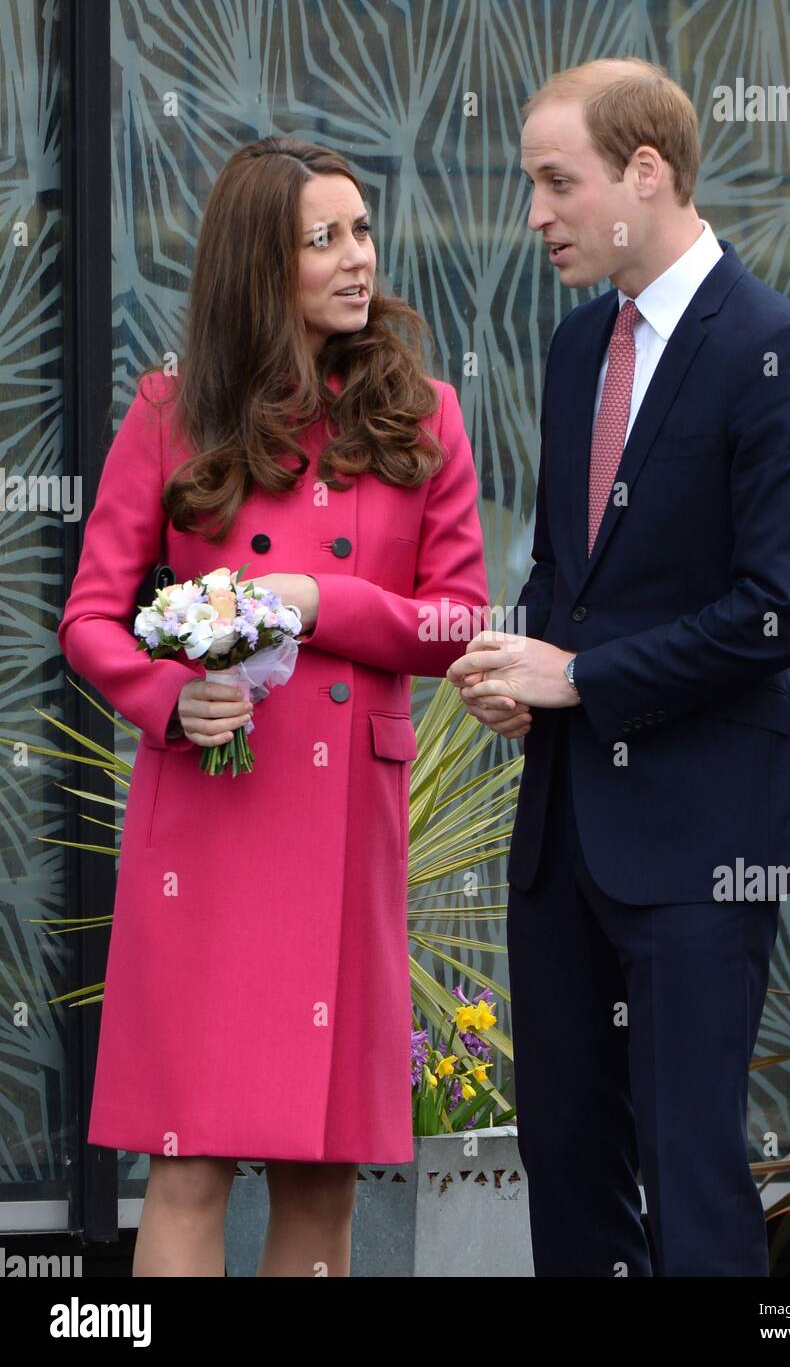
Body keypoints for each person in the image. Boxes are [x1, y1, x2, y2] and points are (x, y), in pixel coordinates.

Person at [58, 136, 488, 1277]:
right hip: (203, 821)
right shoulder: (170, 411)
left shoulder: (425, 415)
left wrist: (321, 599)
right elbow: (91, 618)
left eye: (362, 231)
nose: (360, 259)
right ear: (261, 263)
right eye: (325, 239)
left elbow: (456, 624)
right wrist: (170, 695)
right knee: (187, 1161)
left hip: (347, 814)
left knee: (320, 1168)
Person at [449, 58, 790, 1276]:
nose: (535, 215)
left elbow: (783, 614)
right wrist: (521, 665)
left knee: (692, 1180)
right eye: (531, 186)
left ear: (646, 172)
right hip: (565, 828)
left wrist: (583, 674)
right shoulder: (579, 351)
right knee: (566, 1175)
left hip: (700, 843)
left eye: (556, 183)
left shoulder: (782, 352)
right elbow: (572, 567)